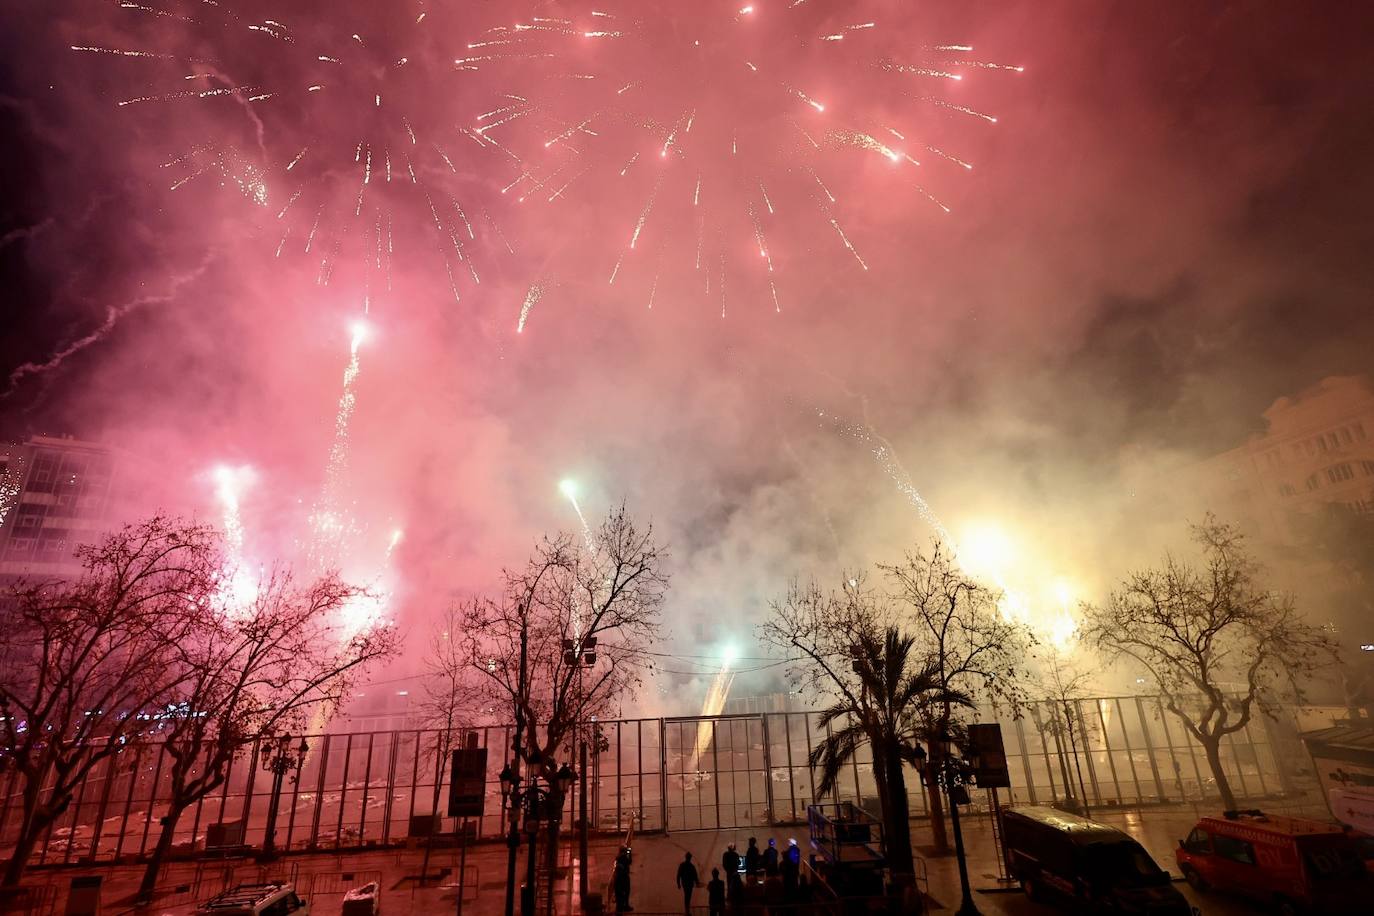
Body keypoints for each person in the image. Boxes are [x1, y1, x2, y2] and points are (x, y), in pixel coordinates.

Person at [613, 846, 633, 913]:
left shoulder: (617, 857)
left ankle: (620, 908)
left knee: (619, 895)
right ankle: (625, 906)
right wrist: (629, 852)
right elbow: (629, 861)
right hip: (624, 878)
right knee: (626, 892)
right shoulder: (624, 858)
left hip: (618, 878)